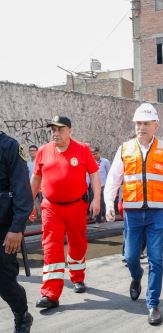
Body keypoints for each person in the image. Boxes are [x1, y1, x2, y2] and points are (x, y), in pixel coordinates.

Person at [104, 102, 163, 326]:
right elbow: (113, 179)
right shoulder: (125, 148)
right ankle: (136, 277)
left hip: (157, 213)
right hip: (133, 213)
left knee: (156, 259)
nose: (141, 127)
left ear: (155, 125)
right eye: (138, 123)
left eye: (146, 123)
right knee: (130, 257)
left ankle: (153, 304)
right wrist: (109, 202)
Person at [30, 115, 101, 309]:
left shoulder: (83, 149)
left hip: (76, 207)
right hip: (51, 207)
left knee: (78, 245)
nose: (56, 133)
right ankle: (50, 294)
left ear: (69, 130)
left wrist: (96, 199)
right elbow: (36, 179)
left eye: (60, 129)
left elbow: (94, 175)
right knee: (51, 248)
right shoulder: (44, 151)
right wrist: (29, 203)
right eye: (53, 129)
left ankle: (77, 277)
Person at [0, 131, 34, 332]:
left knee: (4, 281)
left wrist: (16, 229)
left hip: (4, 229)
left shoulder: (10, 147)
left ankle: (22, 315)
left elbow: (23, 193)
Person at [89, 146, 110, 223]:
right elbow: (88, 175)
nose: (94, 155)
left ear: (99, 153)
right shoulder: (90, 162)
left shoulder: (105, 162)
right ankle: (96, 218)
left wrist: (109, 185)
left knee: (102, 203)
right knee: (93, 202)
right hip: (93, 186)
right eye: (93, 154)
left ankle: (102, 218)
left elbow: (109, 173)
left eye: (96, 153)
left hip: (103, 186)